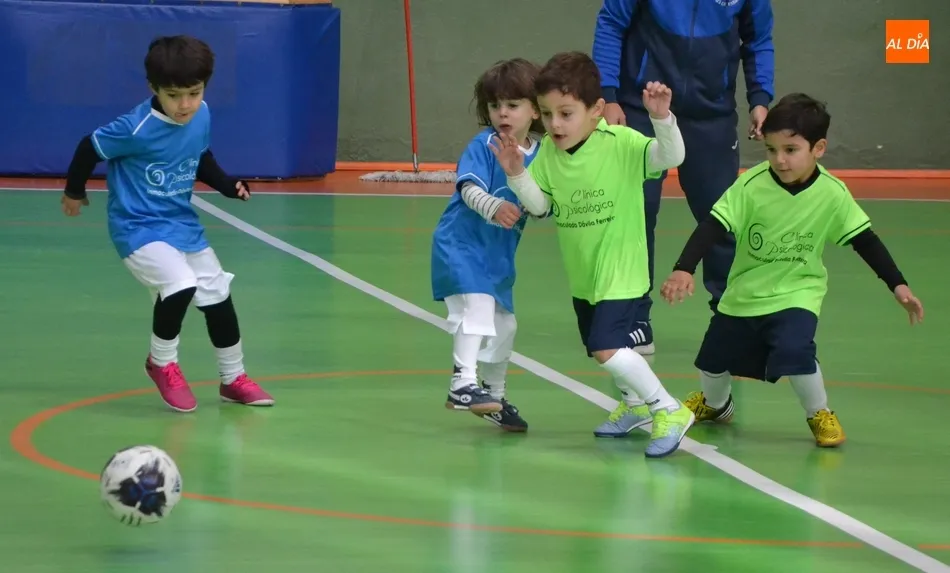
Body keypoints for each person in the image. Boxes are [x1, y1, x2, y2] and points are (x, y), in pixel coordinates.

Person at [660, 93, 924, 447]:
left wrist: (899, 285)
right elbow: (713, 225)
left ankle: (820, 412)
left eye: (790, 150)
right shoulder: (751, 185)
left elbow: (865, 240)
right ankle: (717, 405)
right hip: (744, 294)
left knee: (796, 353)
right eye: (771, 150)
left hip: (798, 292)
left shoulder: (832, 193)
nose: (779, 160)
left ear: (818, 148)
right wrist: (683, 269)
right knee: (712, 360)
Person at [490, 51, 695, 457]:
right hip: (584, 273)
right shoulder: (548, 152)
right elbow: (540, 206)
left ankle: (668, 409)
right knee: (600, 345)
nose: (556, 124)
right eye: (547, 115)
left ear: (597, 110)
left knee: (607, 346)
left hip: (622, 269)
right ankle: (635, 406)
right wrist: (516, 173)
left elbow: (671, 157)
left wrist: (661, 119)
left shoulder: (621, 144)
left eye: (566, 113)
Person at [60, 35, 274, 413]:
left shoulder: (201, 113)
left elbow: (200, 154)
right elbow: (87, 147)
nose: (185, 104)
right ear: (153, 89)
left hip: (181, 224)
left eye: (194, 92)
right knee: (181, 284)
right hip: (137, 227)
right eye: (174, 95)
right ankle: (161, 362)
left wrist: (226, 184)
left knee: (218, 295)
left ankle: (233, 378)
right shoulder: (135, 127)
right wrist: (74, 191)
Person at [592, 0, 776, 352]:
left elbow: (758, 40)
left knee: (723, 214)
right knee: (636, 212)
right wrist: (609, 95)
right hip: (640, 107)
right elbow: (611, 24)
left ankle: (731, 316)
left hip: (711, 114)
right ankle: (634, 318)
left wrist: (760, 97)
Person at [431, 58, 545, 432]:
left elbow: (543, 204)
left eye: (512, 105)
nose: (502, 113)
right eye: (495, 106)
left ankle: (493, 395)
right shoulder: (485, 144)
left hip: (498, 256)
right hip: (461, 245)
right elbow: (467, 187)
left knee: (505, 326)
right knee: (476, 307)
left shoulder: (544, 155)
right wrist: (493, 206)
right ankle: (462, 383)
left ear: (534, 110)